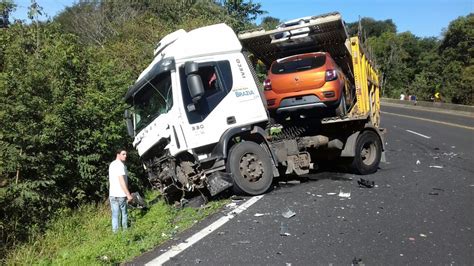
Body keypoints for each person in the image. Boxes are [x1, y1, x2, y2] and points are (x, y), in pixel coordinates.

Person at [109, 149, 133, 233]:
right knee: (124, 214)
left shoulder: (112, 164)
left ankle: (115, 234)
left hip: (112, 194)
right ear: (118, 154)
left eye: (126, 154)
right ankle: (125, 232)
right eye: (123, 154)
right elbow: (121, 181)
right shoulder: (120, 165)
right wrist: (128, 194)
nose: (125, 156)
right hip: (120, 195)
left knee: (115, 216)